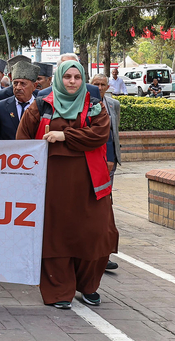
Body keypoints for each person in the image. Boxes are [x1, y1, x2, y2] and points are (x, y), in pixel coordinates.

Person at [17, 60, 117, 309]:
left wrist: (64, 136)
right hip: (51, 184)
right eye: (67, 77)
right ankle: (59, 289)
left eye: (77, 77)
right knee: (56, 236)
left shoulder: (94, 105)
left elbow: (100, 135)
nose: (72, 82)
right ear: (59, 79)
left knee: (96, 233)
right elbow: (23, 141)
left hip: (91, 183)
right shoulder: (40, 106)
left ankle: (88, 285)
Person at [91, 73, 121, 271]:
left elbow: (112, 132)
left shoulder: (114, 104)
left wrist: (112, 157)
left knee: (106, 205)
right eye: (96, 84)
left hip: (109, 161)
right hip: (93, 161)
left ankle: (105, 252)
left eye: (103, 84)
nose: (100, 87)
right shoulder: (86, 104)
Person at [0, 61, 39, 140]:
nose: (18, 87)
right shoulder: (1, 107)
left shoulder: (42, 106)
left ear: (34, 86)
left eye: (23, 84)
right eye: (15, 83)